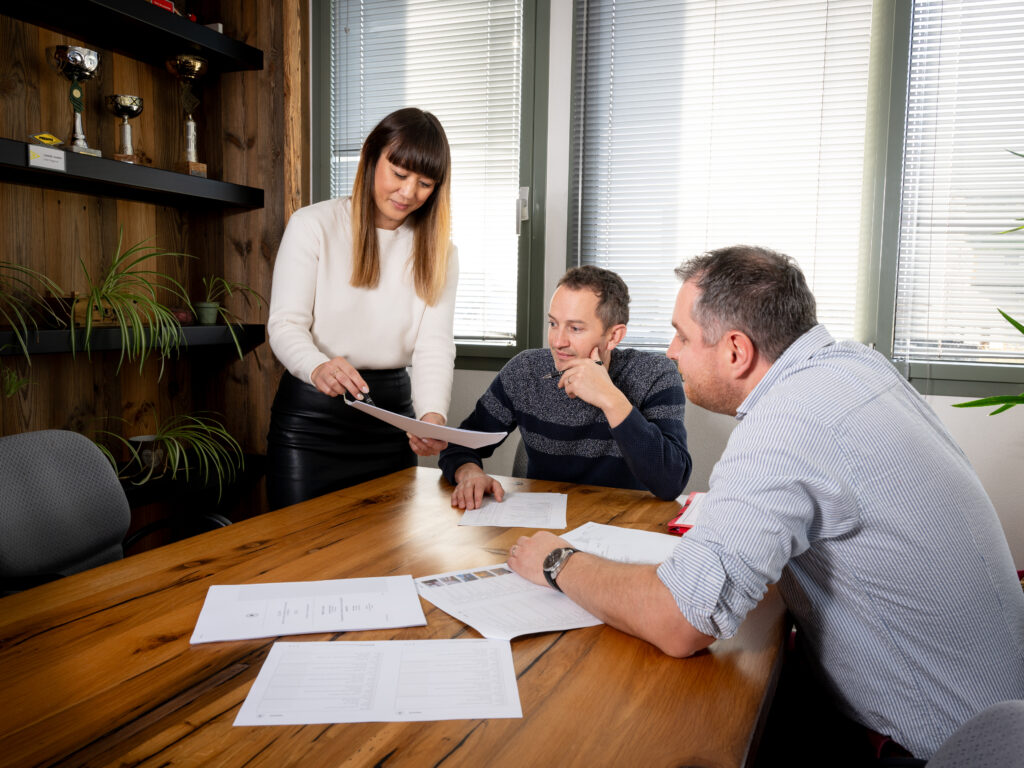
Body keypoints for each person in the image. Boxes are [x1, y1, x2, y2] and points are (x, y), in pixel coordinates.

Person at [507, 245, 1024, 761]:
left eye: (682, 336)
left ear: (736, 350)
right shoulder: (856, 365)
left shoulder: (789, 422)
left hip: (940, 745)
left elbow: (679, 620)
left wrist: (558, 561)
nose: (670, 351)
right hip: (991, 703)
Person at [266, 107, 458, 510]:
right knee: (301, 555)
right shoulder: (313, 225)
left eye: (425, 183)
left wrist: (432, 416)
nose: (408, 193)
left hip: (390, 420)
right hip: (312, 420)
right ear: (370, 157)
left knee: (385, 560)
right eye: (400, 174)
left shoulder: (441, 252)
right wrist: (316, 365)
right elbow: (285, 324)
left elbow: (434, 345)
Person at [438, 265, 691, 507]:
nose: (558, 341)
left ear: (614, 336)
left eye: (575, 328)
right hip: (543, 527)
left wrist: (609, 398)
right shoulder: (526, 371)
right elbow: (459, 444)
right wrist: (469, 473)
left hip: (622, 527)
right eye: (553, 324)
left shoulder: (654, 375)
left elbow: (670, 482)